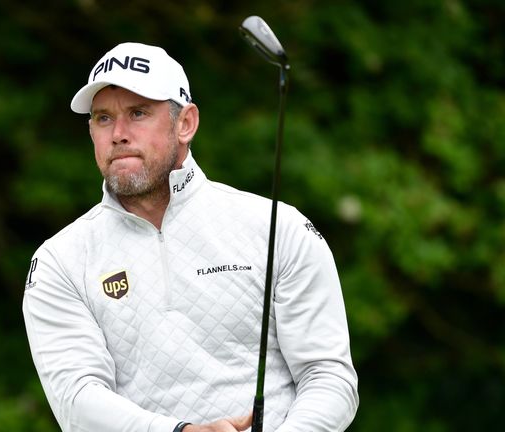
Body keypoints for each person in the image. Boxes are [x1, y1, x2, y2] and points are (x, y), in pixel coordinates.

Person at [22, 42, 358, 432]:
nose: (118, 134)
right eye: (102, 118)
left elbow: (329, 376)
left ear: (185, 124)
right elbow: (77, 400)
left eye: (138, 113)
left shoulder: (278, 228)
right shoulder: (58, 261)